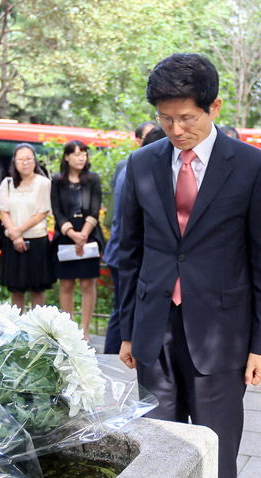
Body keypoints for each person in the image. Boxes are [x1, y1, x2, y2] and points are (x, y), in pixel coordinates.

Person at [118, 53, 261, 478]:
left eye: (187, 117)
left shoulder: (253, 168)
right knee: (157, 452)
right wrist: (122, 330)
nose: (176, 130)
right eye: (165, 119)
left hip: (223, 338)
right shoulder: (141, 165)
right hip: (153, 333)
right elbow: (129, 253)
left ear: (214, 106)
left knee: (215, 451)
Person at [103, 126, 167, 354]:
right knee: (123, 311)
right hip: (126, 253)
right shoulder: (141, 169)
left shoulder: (128, 165)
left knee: (121, 309)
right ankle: (112, 355)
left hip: (118, 251)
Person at [51, 140, 103, 340]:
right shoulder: (57, 180)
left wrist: (83, 235)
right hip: (66, 234)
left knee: (88, 283)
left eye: (84, 154)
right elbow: (56, 211)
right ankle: (69, 329)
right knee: (66, 284)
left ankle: (85, 330)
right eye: (77, 154)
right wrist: (72, 234)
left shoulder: (93, 179)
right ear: (66, 157)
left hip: (88, 233)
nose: (82, 158)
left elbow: (95, 210)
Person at [0, 143, 55, 312]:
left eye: (29, 159)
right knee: (16, 288)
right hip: (13, 242)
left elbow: (42, 212)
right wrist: (15, 236)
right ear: (14, 162)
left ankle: (37, 327)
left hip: (37, 241)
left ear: (35, 161)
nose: (25, 163)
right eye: (21, 159)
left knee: (38, 288)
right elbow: (3, 211)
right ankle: (18, 327)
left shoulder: (43, 183)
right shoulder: (7, 184)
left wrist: (18, 231)